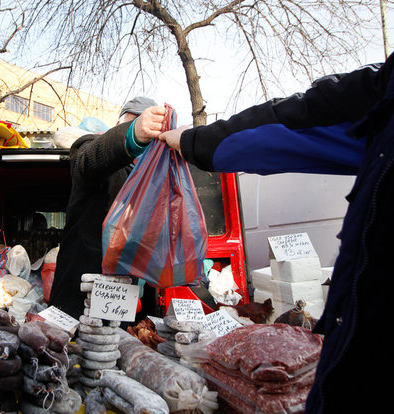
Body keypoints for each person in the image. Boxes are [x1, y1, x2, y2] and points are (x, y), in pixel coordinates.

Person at [159, 53, 394, 413]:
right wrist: (196, 141)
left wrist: (194, 141)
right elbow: (293, 129)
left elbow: (293, 125)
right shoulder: (383, 99)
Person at [49, 96, 166, 318]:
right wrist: (132, 135)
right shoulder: (92, 148)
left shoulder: (148, 175)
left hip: (121, 296)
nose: (144, 140)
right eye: (132, 124)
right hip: (79, 289)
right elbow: (87, 161)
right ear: (117, 127)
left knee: (112, 347)